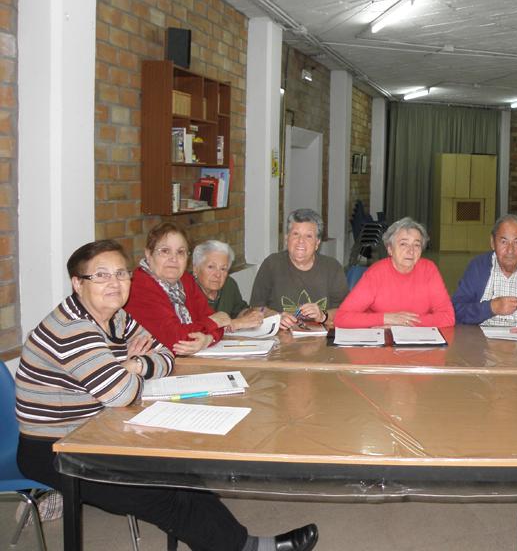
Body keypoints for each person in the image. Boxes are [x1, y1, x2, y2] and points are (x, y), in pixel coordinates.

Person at [15, 240, 318, 551]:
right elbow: (121, 393)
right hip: (56, 448)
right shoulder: (72, 328)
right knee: (163, 493)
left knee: (182, 470)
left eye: (121, 274)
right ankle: (247, 547)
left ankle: (231, 543)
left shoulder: (115, 316)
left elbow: (165, 354)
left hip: (99, 428)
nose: (115, 283)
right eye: (101, 276)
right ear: (78, 284)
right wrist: (128, 372)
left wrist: (130, 365)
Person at [334, 217, 455, 328]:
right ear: (390, 249)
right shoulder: (376, 273)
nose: (411, 251)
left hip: (418, 342)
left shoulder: (429, 270)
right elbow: (342, 318)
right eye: (403, 244)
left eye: (416, 245)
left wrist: (403, 324)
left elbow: (448, 317)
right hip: (381, 342)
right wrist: (385, 318)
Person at [125, 222, 223, 354]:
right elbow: (175, 339)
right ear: (148, 254)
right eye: (165, 251)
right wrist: (212, 323)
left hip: (187, 360)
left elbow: (218, 323)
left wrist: (208, 339)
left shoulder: (185, 280)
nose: (174, 259)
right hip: (153, 364)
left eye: (180, 252)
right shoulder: (138, 285)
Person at [250, 209, 348, 330]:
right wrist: (275, 316)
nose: (301, 241)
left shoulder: (332, 268)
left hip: (321, 339)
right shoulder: (271, 264)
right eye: (295, 234)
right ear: (286, 238)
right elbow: (256, 307)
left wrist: (323, 315)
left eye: (308, 236)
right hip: (280, 337)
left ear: (317, 243)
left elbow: (345, 311)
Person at [193, 239, 264, 331]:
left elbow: (239, 311)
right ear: (196, 269)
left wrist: (252, 314)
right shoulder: (186, 291)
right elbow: (195, 330)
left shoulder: (229, 284)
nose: (218, 274)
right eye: (211, 267)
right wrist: (236, 323)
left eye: (223, 269)